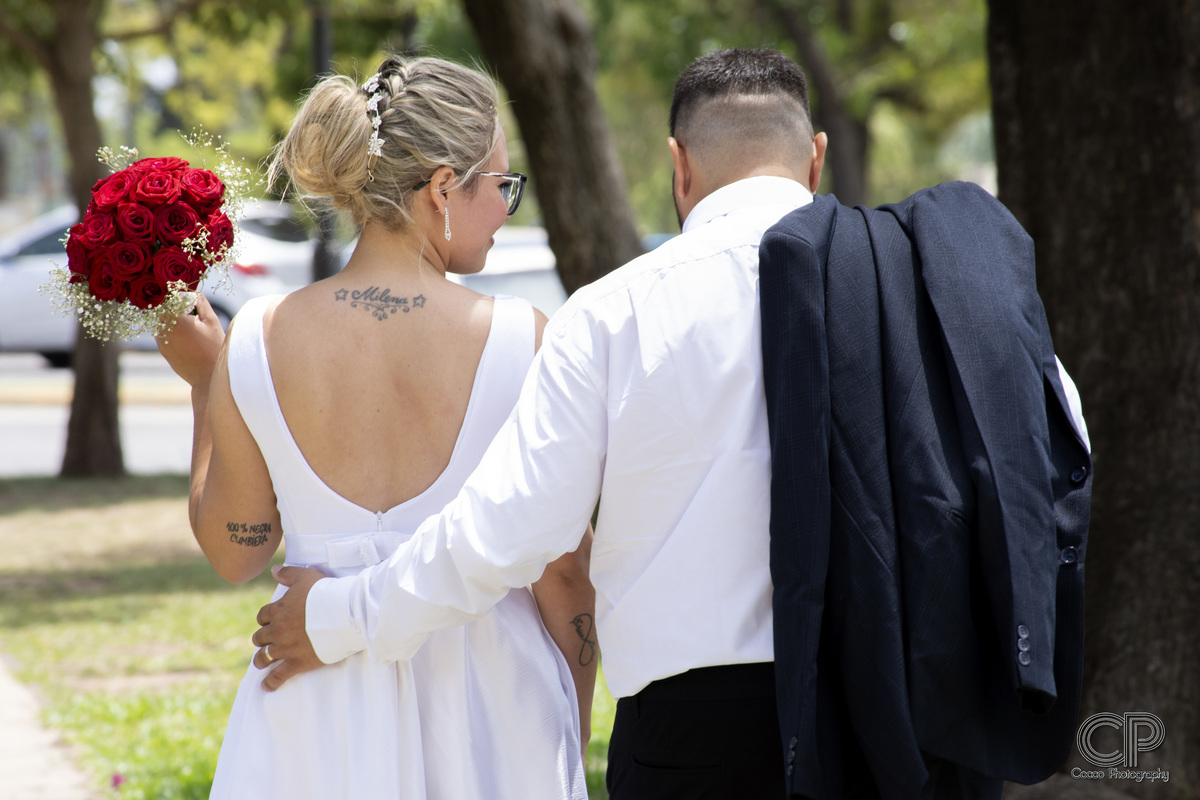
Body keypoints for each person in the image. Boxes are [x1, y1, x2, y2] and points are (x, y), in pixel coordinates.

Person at [254, 48, 826, 799]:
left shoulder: (615, 312)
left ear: (678, 167)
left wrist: (338, 617)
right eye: (502, 184)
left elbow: (516, 533)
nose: (505, 204)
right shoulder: (918, 279)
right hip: (890, 708)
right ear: (815, 159)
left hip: (691, 736)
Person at [156, 55, 592, 799]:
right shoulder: (527, 340)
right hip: (492, 712)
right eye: (502, 187)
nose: (506, 209)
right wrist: (571, 727)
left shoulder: (259, 339)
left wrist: (207, 386)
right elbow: (562, 573)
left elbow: (239, 553)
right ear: (444, 188)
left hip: (316, 716)